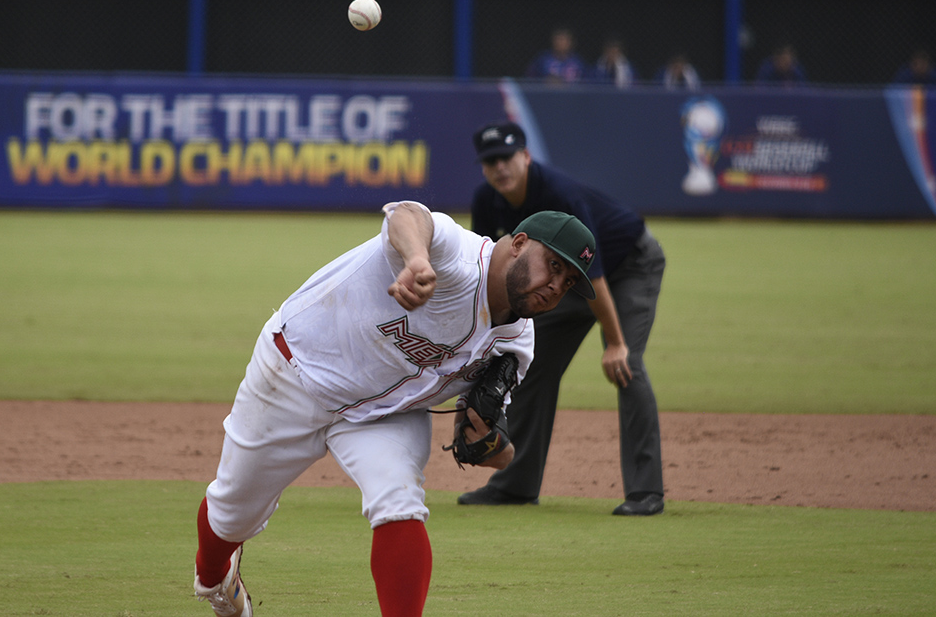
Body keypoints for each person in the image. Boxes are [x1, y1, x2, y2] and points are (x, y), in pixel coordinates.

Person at [193, 199, 597, 617]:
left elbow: (495, 450)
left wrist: (488, 441)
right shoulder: (455, 256)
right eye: (553, 265)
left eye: (567, 282)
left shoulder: (518, 344)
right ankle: (213, 577)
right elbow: (407, 215)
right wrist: (417, 260)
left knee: (399, 501)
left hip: (387, 414)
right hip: (295, 371)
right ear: (519, 243)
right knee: (231, 515)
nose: (555, 285)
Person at [458, 122, 666, 517]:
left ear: (526, 156)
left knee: (626, 365)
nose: (499, 167)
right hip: (563, 282)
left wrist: (616, 342)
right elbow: (486, 268)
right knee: (528, 365)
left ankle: (646, 492)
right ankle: (515, 485)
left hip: (629, 266)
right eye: (490, 161)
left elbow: (597, 274)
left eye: (506, 157)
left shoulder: (559, 194)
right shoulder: (487, 199)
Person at [525, 26, 590, 84]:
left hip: (572, 96)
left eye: (564, 40)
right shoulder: (542, 60)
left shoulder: (578, 62)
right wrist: (545, 81)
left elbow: (587, 84)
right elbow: (529, 80)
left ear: (571, 42)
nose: (561, 43)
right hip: (547, 96)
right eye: (558, 39)